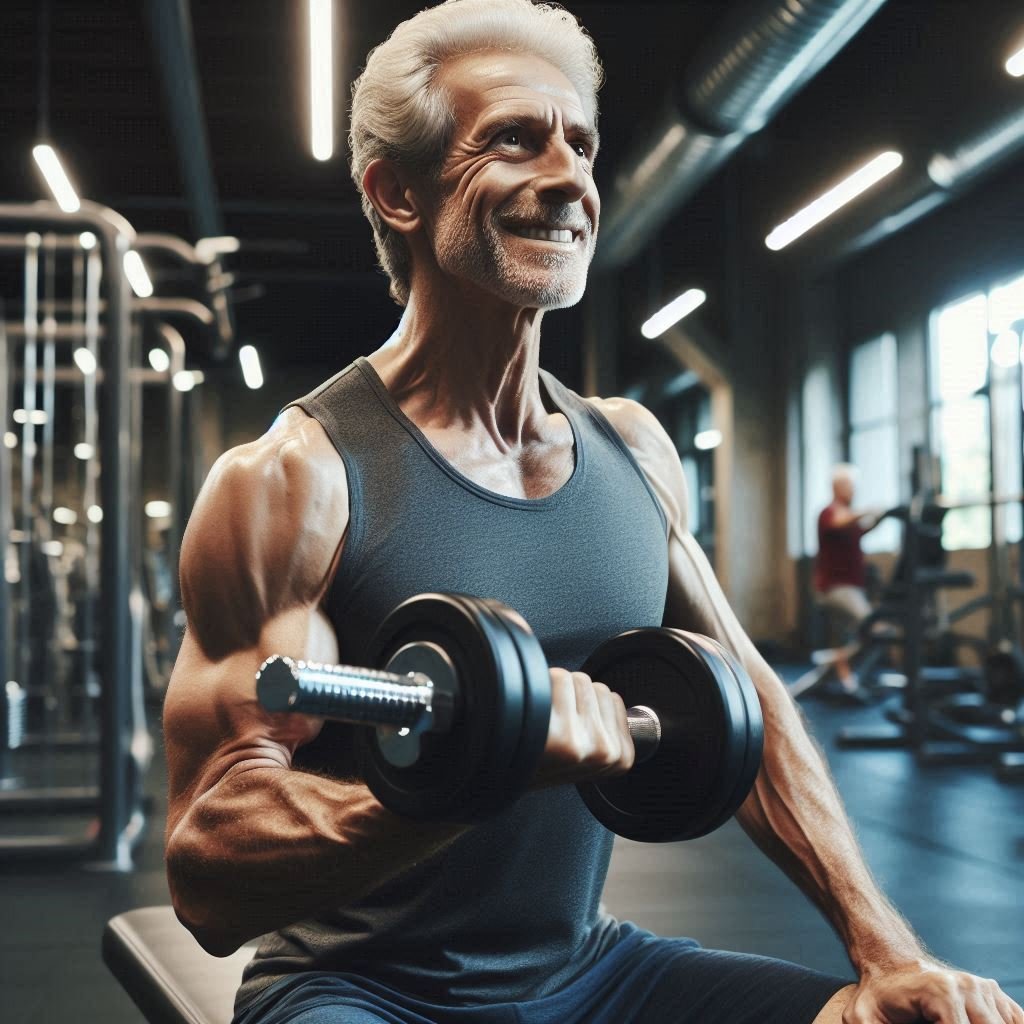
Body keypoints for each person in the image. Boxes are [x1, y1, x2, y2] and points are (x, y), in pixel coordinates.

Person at [163, 3, 1022, 1023]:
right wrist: (470, 778)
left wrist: (886, 957)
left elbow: (747, 702)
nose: (570, 177)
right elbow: (208, 874)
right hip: (361, 988)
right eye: (516, 140)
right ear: (398, 191)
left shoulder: (632, 447)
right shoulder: (293, 480)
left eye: (582, 145)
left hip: (593, 972)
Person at [814, 464, 887, 691]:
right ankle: (837, 661)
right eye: (848, 485)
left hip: (853, 587)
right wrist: (867, 511)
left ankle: (843, 672)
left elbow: (862, 529)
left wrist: (880, 518)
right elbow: (840, 522)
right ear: (836, 487)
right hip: (836, 589)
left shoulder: (849, 518)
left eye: (854, 486)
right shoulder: (829, 513)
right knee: (876, 629)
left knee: (849, 638)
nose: (853, 490)